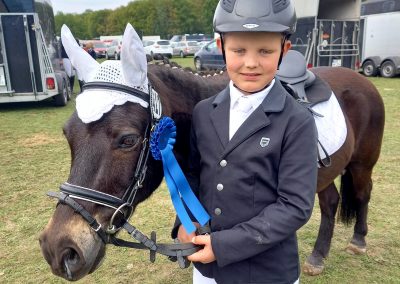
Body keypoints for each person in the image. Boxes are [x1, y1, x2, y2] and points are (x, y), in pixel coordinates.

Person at [172, 0, 318, 283]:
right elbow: (193, 177)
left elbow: (295, 206)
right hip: (206, 269)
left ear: (284, 51)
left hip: (266, 272)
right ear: (220, 47)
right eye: (239, 50)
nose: (251, 62)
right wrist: (184, 221)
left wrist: (223, 246)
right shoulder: (203, 111)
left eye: (265, 51)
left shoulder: (297, 121)